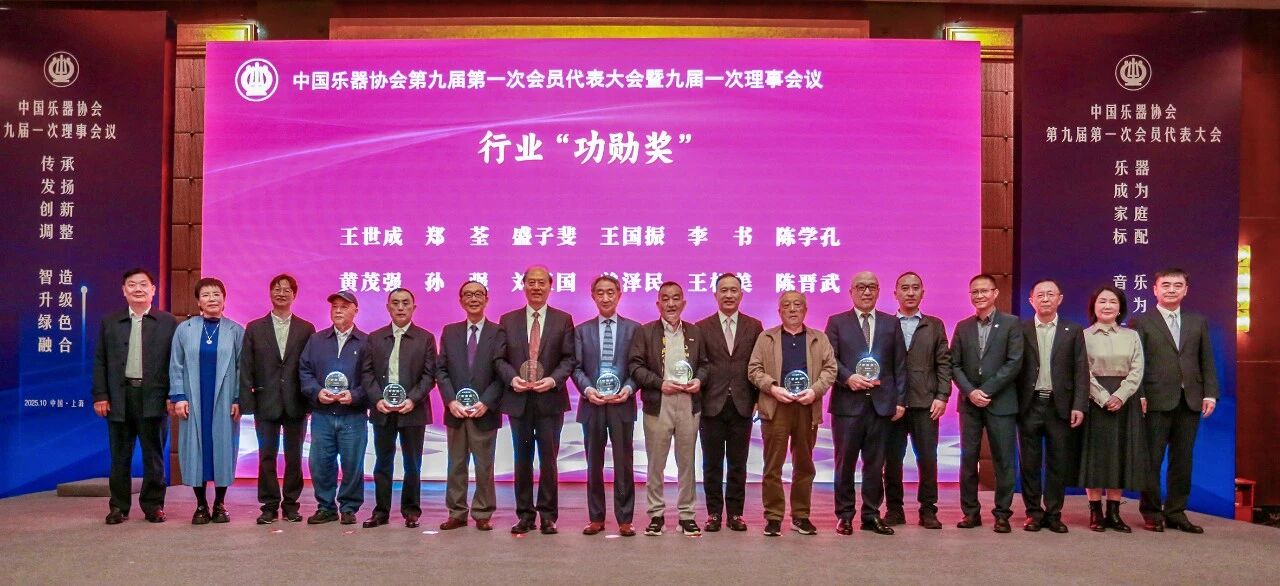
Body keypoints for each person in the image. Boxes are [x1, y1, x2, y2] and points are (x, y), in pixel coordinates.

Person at [1132, 268, 1219, 534]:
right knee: (1152, 459)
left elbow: (1206, 359)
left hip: (1189, 399)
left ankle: (1176, 512)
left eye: (1177, 285)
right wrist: (1140, 394)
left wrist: (1210, 393)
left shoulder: (1197, 321)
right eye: (1166, 285)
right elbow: (1137, 363)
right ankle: (1151, 512)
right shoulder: (1141, 321)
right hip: (1155, 400)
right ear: (1155, 289)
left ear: (1186, 290)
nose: (1171, 289)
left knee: (1183, 460)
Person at [495, 265, 577, 535]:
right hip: (519, 400)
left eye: (542, 282)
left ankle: (548, 516)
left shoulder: (563, 319)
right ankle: (525, 515)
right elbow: (500, 359)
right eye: (532, 282)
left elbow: (569, 359)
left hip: (549, 400)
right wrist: (512, 379)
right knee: (522, 459)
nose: (537, 287)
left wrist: (553, 380)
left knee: (548, 460)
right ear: (523, 285)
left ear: (550, 286)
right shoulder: (508, 320)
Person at [747, 291, 836, 536]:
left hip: (807, 407)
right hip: (776, 407)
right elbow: (753, 369)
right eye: (787, 305)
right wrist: (773, 388)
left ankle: (801, 516)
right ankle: (773, 517)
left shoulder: (819, 338)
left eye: (798, 304)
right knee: (772, 466)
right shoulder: (766, 338)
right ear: (779, 312)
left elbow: (830, 369)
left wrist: (815, 391)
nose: (793, 309)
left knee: (804, 465)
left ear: (805, 310)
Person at [824, 271, 906, 536]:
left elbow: (899, 365)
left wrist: (900, 401)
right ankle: (845, 515)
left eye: (872, 286)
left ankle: (871, 514)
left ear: (879, 291)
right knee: (844, 464)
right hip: (847, 406)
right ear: (851, 292)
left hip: (881, 406)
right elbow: (829, 359)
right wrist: (848, 378)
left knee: (875, 464)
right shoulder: (837, 322)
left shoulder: (891, 323)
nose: (867, 291)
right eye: (861, 287)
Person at [92, 268, 177, 525]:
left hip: (154, 397)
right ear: (124, 290)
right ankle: (119, 506)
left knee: (154, 456)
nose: (137, 289)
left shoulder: (168, 322)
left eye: (143, 284)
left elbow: (176, 363)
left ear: (153, 289)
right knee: (120, 456)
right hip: (120, 397)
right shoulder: (110, 322)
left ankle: (154, 506)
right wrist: (100, 395)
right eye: (131, 284)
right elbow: (100, 361)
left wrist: (172, 395)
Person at [628, 281, 709, 537]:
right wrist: (659, 384)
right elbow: (635, 367)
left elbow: (705, 365)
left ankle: (687, 515)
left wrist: (699, 380)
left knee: (687, 462)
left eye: (675, 298)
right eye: (665, 298)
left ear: (683, 303)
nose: (671, 304)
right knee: (656, 463)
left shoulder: (695, 332)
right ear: (658, 304)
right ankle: (656, 515)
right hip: (658, 402)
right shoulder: (645, 332)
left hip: (688, 402)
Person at [240, 273, 316, 525]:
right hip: (266, 401)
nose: (281, 293)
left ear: (294, 295)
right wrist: (248, 402)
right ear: (270, 292)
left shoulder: (306, 329)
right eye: (277, 288)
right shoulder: (254, 328)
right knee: (267, 456)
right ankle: (269, 505)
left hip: (296, 402)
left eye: (287, 290)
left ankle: (291, 505)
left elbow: (310, 367)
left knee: (294, 457)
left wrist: (311, 402)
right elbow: (246, 367)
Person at [951, 273, 1024, 533]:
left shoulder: (1011, 323)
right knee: (968, 459)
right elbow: (954, 364)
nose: (979, 295)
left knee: (1003, 460)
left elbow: (1014, 362)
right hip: (969, 403)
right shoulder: (963, 326)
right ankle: (970, 512)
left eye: (984, 291)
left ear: (995, 294)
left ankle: (1002, 514)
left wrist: (986, 390)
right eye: (975, 292)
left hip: (1001, 402)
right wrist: (971, 392)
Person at [169, 277, 245, 524]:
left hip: (225, 399)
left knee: (223, 449)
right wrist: (178, 397)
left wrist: (238, 398)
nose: (212, 299)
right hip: (193, 399)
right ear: (198, 302)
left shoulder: (236, 331)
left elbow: (242, 369)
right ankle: (200, 504)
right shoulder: (185, 329)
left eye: (216, 294)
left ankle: (220, 504)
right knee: (195, 450)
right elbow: (176, 365)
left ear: (224, 299)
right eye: (206, 295)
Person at [361, 288, 436, 528]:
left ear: (414, 307)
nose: (400, 307)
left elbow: (429, 375)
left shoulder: (425, 338)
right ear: (388, 307)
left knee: (412, 464)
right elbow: (367, 373)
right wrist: (377, 399)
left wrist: (412, 399)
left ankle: (411, 511)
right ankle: (381, 512)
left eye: (405, 303)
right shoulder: (375, 338)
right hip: (382, 410)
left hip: (413, 410)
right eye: (395, 303)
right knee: (382, 462)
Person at [1017, 279, 1088, 533]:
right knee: (1030, 463)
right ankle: (1033, 513)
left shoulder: (1073, 330)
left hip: (1061, 406)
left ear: (1060, 299)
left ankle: (1054, 513)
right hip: (1029, 405)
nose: (1045, 299)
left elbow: (1081, 370)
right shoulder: (1021, 329)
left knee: (1058, 463)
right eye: (1040, 295)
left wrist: (1079, 405)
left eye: (1050, 294)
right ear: (1031, 301)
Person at [572, 275, 640, 536]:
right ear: (593, 296)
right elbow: (576, 368)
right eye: (600, 292)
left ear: (619, 295)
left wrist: (628, 389)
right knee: (594, 464)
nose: (605, 297)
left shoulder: (634, 329)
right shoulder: (582, 330)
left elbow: (638, 367)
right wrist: (588, 390)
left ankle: (625, 519)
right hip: (592, 406)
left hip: (622, 404)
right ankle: (596, 518)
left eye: (610, 292)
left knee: (624, 464)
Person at [882, 271, 951, 530]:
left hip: (926, 404)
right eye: (905, 288)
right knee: (892, 460)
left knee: (928, 459)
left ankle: (928, 510)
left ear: (923, 292)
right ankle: (894, 510)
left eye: (915, 288)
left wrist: (942, 396)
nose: (910, 292)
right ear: (895, 293)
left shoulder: (934, 325)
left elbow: (944, 363)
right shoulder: (886, 324)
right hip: (894, 405)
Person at [694, 273, 763, 532]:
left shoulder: (754, 326)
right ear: (715, 295)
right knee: (711, 463)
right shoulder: (702, 327)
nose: (729, 295)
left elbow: (759, 364)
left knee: (738, 463)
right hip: (711, 404)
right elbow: (699, 365)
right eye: (724, 290)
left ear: (741, 295)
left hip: (743, 405)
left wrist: (757, 399)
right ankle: (713, 513)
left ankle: (735, 514)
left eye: (734, 290)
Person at [436, 281, 503, 531]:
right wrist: (450, 400)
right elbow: (441, 370)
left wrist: (487, 402)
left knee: (484, 466)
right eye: (467, 294)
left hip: (484, 411)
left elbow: (502, 372)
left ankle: (483, 512)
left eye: (478, 294)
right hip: (456, 411)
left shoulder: (499, 332)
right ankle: (456, 512)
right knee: (456, 464)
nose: (473, 299)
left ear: (486, 299)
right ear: (461, 300)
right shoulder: (450, 331)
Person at [1079, 285, 1147, 532]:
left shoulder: (1131, 336)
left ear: (1120, 308)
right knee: (1096, 457)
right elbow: (1082, 371)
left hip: (1125, 401)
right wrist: (1102, 396)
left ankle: (1114, 512)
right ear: (1093, 306)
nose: (1107, 306)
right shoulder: (1083, 336)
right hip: (1094, 400)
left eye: (1113, 302)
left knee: (1120, 455)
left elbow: (1137, 369)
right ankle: (1095, 511)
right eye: (1102, 301)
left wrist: (1120, 395)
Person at [299, 290, 370, 525]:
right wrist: (317, 392)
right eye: (335, 306)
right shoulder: (316, 340)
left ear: (355, 310)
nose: (338, 310)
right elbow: (304, 371)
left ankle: (349, 507)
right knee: (320, 463)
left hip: (353, 415)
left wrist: (356, 395)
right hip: (323, 414)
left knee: (352, 463)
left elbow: (372, 377)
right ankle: (326, 507)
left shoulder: (367, 342)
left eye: (344, 306)